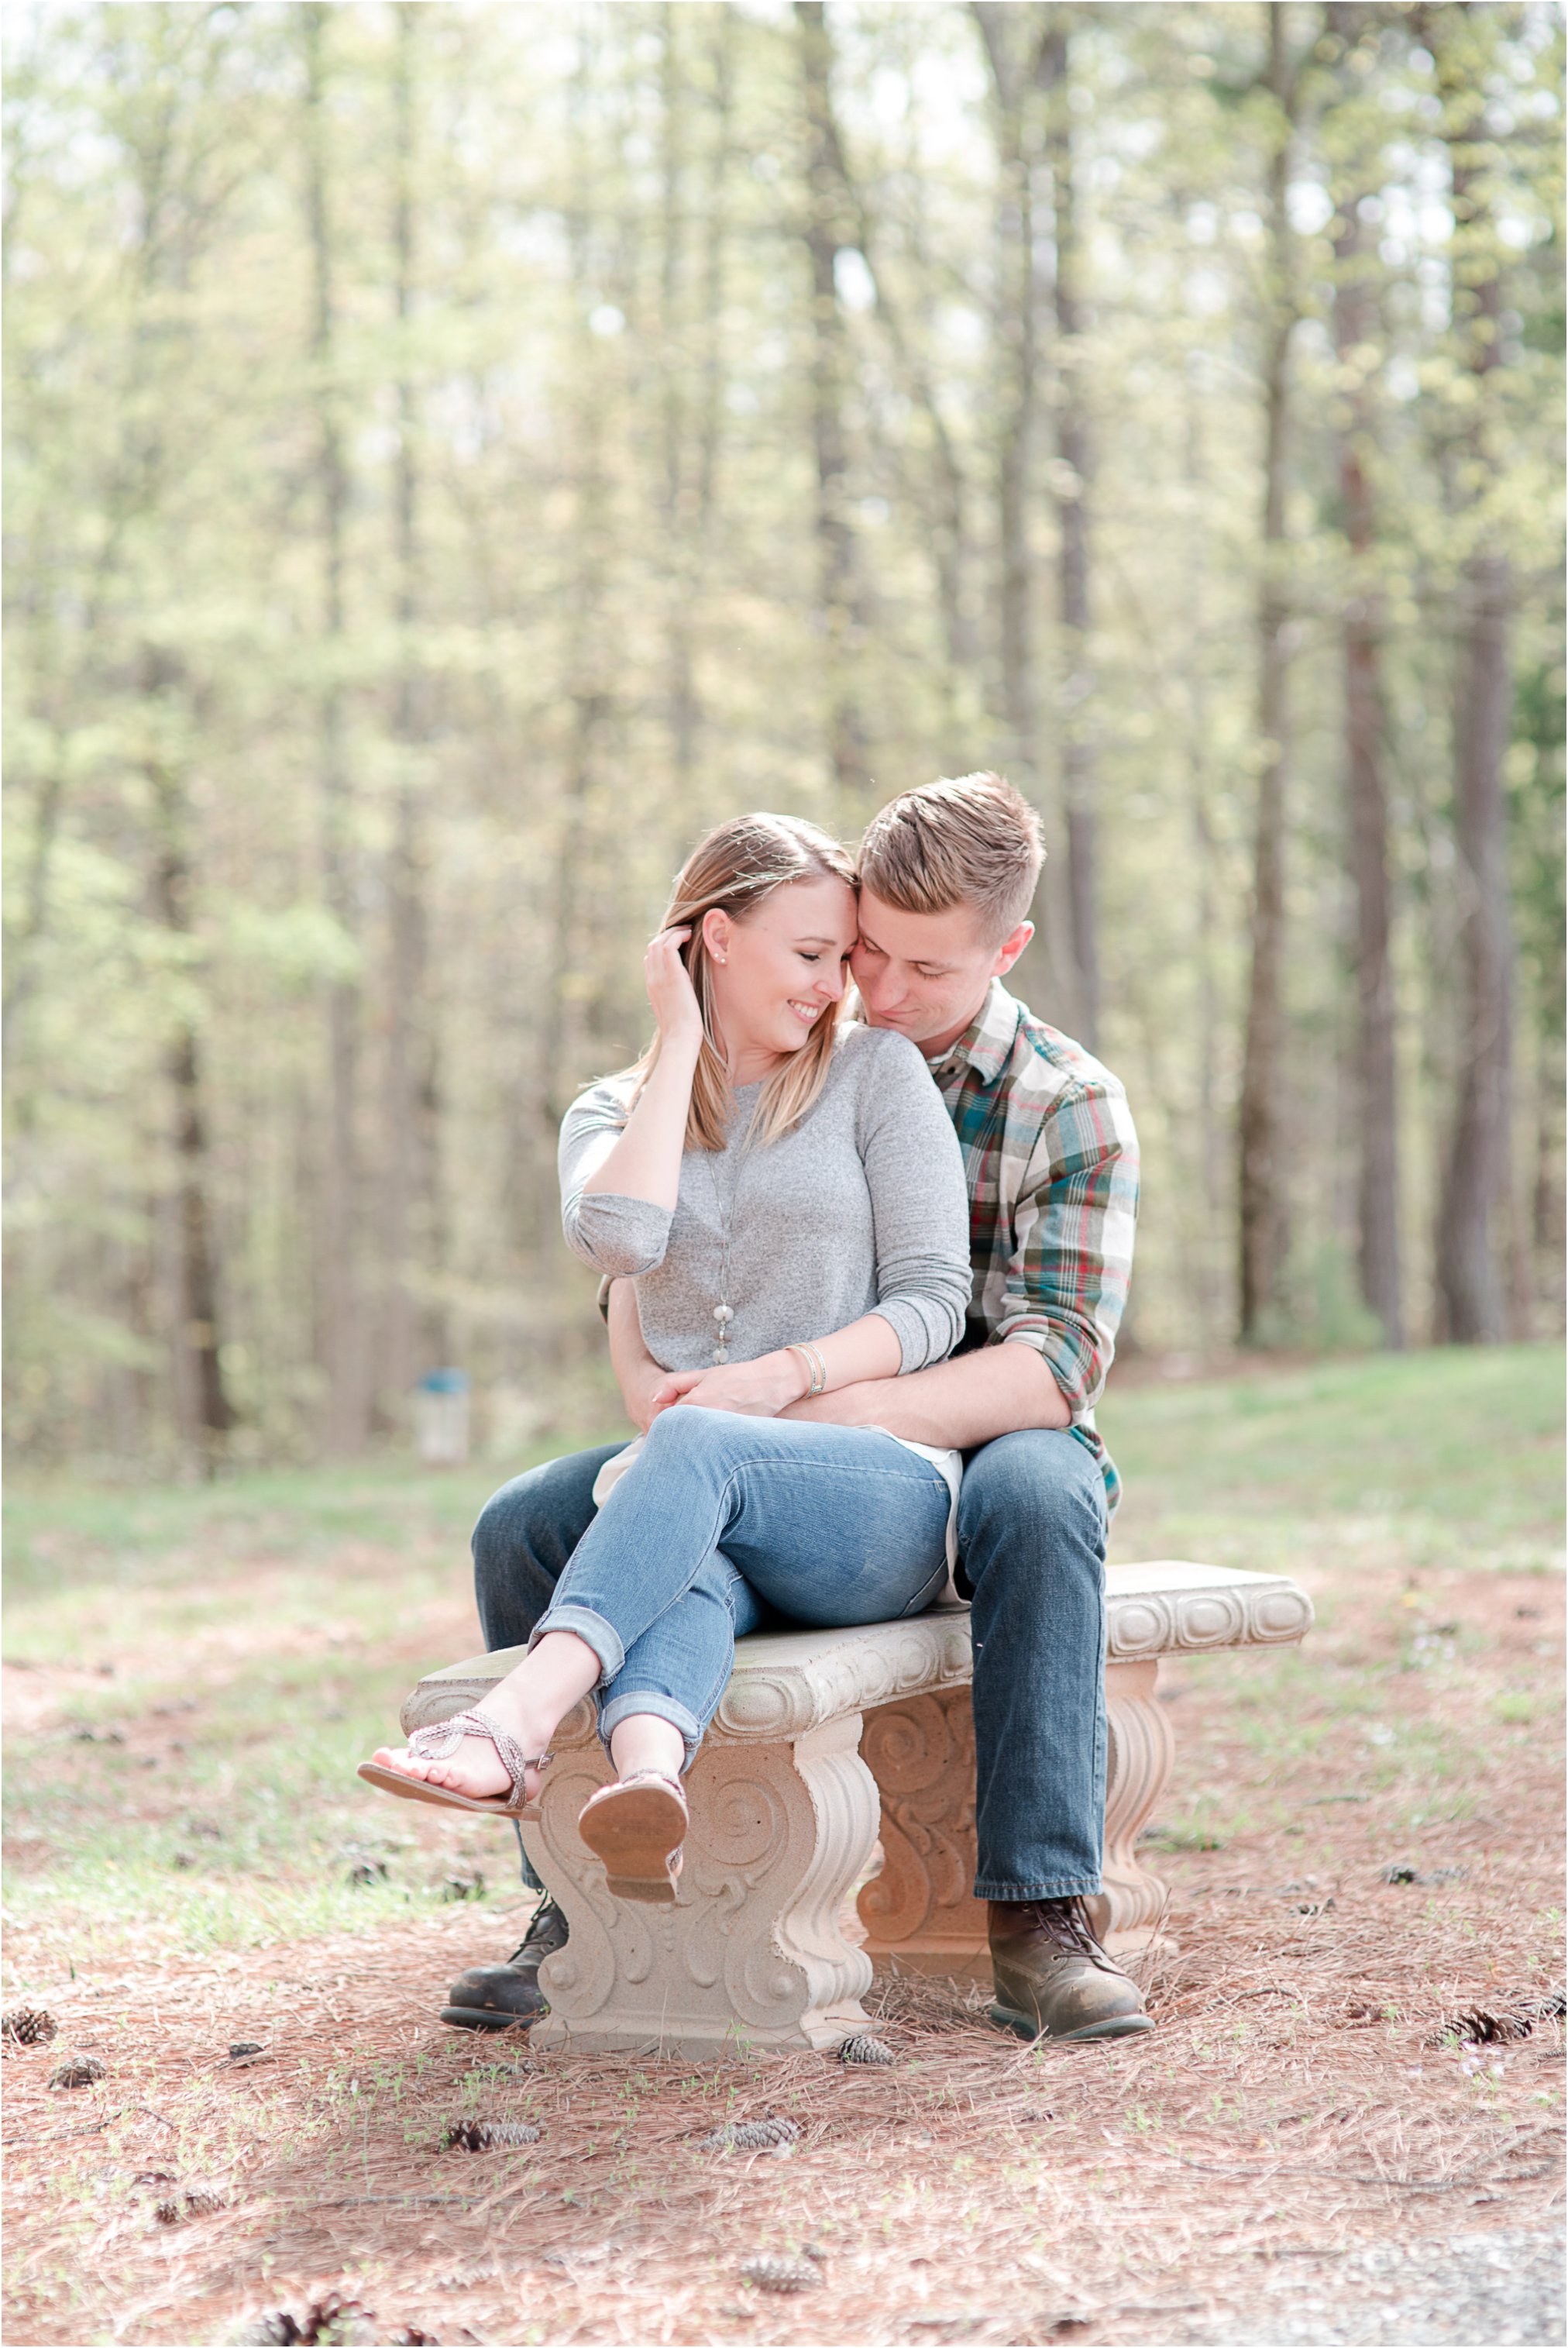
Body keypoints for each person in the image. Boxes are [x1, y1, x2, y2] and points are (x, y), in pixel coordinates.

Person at [438, 774, 1150, 2044]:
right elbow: (630, 1264)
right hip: (766, 1451)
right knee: (518, 1523)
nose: (869, 989)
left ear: (1006, 949)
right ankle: (570, 1904)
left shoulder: (1055, 1100)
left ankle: (1043, 1916)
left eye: (915, 965)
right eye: (855, 949)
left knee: (1036, 1497)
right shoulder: (745, 1066)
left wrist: (810, 1396)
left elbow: (1050, 1364)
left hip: (971, 1430)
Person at [360, 812, 973, 1910]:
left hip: (874, 1488)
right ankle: (643, 1794)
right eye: (810, 954)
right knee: (680, 1556)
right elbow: (622, 1242)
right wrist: (681, 1046)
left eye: (842, 958)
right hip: (699, 1490)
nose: (837, 985)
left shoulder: (877, 1074)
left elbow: (934, 1301)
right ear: (717, 938)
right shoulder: (610, 1110)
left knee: (682, 1450)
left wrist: (781, 1377)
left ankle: (511, 1724)